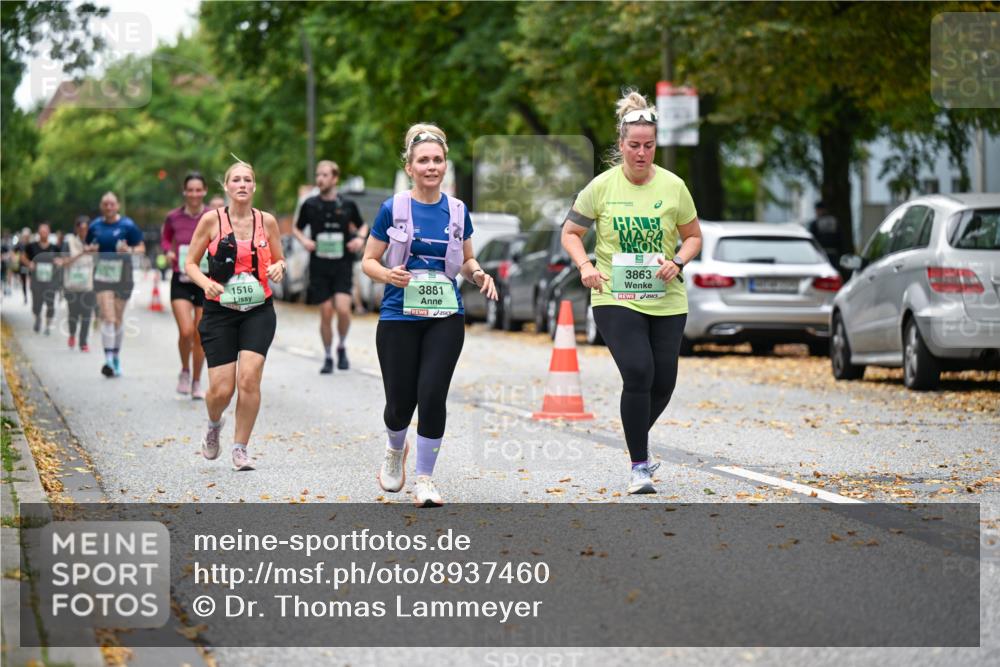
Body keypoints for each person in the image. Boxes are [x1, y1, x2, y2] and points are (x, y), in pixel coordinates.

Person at [561, 89, 702, 495]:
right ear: (621, 145)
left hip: (666, 297)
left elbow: (693, 237)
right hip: (614, 295)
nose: (642, 153)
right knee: (639, 371)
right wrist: (585, 266)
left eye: (649, 146)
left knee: (664, 383)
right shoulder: (601, 187)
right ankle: (639, 465)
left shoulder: (674, 187)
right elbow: (570, 232)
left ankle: (636, 435)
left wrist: (679, 260)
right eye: (634, 145)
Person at [362, 123, 497, 507]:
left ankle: (425, 479)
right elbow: (368, 261)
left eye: (437, 160)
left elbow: (467, 260)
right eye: (423, 160)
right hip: (398, 315)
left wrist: (480, 274)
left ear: (445, 165)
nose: (431, 166)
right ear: (410, 166)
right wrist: (388, 274)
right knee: (399, 403)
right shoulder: (394, 208)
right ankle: (394, 447)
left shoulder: (457, 211)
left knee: (433, 395)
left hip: (445, 315)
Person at [185, 160, 286, 471]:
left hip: (258, 309)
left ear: (254, 187)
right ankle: (214, 423)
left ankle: (240, 448)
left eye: (247, 180)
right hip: (219, 312)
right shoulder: (211, 221)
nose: (242, 185)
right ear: (226, 187)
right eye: (236, 180)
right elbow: (190, 263)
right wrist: (206, 284)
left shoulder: (267, 222)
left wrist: (278, 268)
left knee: (249, 379)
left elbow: (280, 259)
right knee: (221, 390)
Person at [292, 160, 367, 373]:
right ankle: (327, 356)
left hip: (342, 264)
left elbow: (363, 225)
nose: (320, 179)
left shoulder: (347, 204)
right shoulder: (310, 204)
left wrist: (360, 239)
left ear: (335, 179)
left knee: (343, 310)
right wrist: (304, 241)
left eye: (325, 175)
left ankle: (341, 345)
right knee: (326, 312)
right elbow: (297, 229)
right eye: (318, 175)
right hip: (319, 266)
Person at [85, 191, 145, 378]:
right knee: (108, 317)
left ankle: (116, 357)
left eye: (112, 204)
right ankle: (108, 360)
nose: (109, 207)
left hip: (123, 278)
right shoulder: (95, 226)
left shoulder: (128, 225)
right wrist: (92, 250)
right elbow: (88, 247)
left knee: (117, 320)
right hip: (103, 277)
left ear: (117, 206)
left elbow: (141, 248)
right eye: (105, 204)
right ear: (102, 207)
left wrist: (129, 249)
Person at [162, 172, 210, 399]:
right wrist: (168, 251)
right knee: (186, 331)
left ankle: (197, 382)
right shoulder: (173, 217)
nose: (194, 194)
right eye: (190, 190)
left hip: (204, 280)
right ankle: (184, 370)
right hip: (180, 278)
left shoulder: (213, 215)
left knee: (200, 334)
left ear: (205, 191)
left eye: (198, 189)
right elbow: (165, 239)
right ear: (184, 192)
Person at [61, 216, 96, 351]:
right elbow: (64, 262)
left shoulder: (94, 243)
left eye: (87, 229)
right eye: (81, 229)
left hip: (88, 286)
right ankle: (72, 334)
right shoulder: (68, 242)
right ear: (77, 229)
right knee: (73, 315)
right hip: (72, 286)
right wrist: (82, 253)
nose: (84, 231)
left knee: (87, 315)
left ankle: (83, 342)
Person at [22, 222, 62, 335]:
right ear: (38, 233)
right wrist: (29, 263)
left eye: (45, 231)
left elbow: (62, 260)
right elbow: (23, 257)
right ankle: (38, 318)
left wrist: (59, 262)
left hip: (51, 281)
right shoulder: (31, 246)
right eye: (41, 231)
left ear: (49, 232)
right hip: (36, 280)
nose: (43, 233)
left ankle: (48, 325)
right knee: (36, 304)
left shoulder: (55, 248)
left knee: (50, 304)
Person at [807, 200, 840, 267]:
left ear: (819, 210)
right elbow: (841, 239)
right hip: (834, 254)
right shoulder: (834, 221)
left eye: (817, 210)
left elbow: (811, 239)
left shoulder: (815, 223)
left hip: (820, 254)